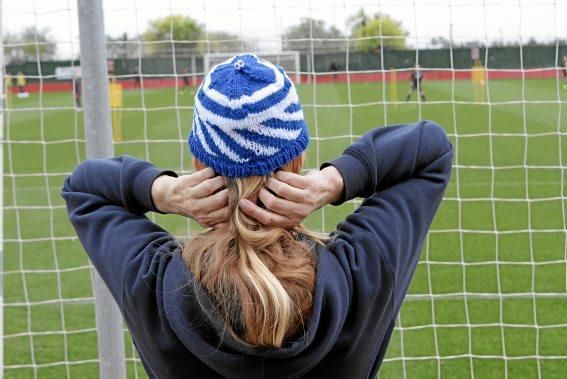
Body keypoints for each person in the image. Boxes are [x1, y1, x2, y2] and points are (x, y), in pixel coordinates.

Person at [62, 54, 452, 378]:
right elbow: (430, 149)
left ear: (197, 163)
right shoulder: (358, 268)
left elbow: (84, 186)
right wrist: (334, 182)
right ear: (298, 160)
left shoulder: (153, 281)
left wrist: (162, 191)